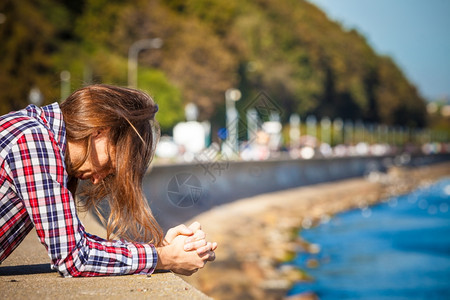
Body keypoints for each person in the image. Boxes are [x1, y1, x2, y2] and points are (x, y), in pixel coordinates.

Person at [0, 84, 217, 277]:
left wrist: (164, 249)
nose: (98, 180)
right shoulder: (33, 142)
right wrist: (167, 258)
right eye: (111, 164)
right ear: (100, 131)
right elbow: (75, 257)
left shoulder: (33, 132)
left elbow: (75, 241)